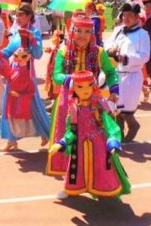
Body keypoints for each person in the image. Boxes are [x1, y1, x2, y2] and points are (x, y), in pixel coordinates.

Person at [46, 13, 119, 176]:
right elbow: (56, 75)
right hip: (68, 100)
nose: (83, 36)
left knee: (96, 138)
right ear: (72, 31)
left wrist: (114, 90)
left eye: (87, 32)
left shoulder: (99, 52)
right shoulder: (63, 51)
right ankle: (68, 177)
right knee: (66, 137)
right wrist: (72, 80)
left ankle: (96, 176)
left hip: (92, 100)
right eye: (79, 31)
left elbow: (110, 72)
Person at [48, 70, 131, 199]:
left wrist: (113, 141)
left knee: (102, 166)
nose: (85, 90)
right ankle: (71, 189)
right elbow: (72, 130)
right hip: (79, 146)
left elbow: (110, 124)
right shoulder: (74, 107)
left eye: (89, 85)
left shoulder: (99, 104)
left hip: (99, 143)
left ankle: (104, 188)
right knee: (76, 168)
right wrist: (62, 142)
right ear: (73, 88)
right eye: (80, 86)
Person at [0, 3, 50, 151]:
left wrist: (33, 40)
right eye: (16, 15)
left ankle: (48, 133)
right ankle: (11, 140)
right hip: (14, 74)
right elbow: (8, 51)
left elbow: (38, 54)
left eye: (21, 15)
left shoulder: (35, 32)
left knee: (34, 106)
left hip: (28, 75)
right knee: (8, 105)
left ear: (29, 16)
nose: (17, 18)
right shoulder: (16, 33)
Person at [105, 3, 151, 142]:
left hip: (131, 76)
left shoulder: (143, 34)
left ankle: (133, 125)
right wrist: (111, 49)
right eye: (124, 15)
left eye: (130, 15)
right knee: (115, 107)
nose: (126, 18)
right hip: (116, 74)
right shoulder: (118, 30)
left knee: (126, 110)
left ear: (137, 17)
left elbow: (145, 56)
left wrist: (126, 58)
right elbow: (108, 43)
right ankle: (119, 134)